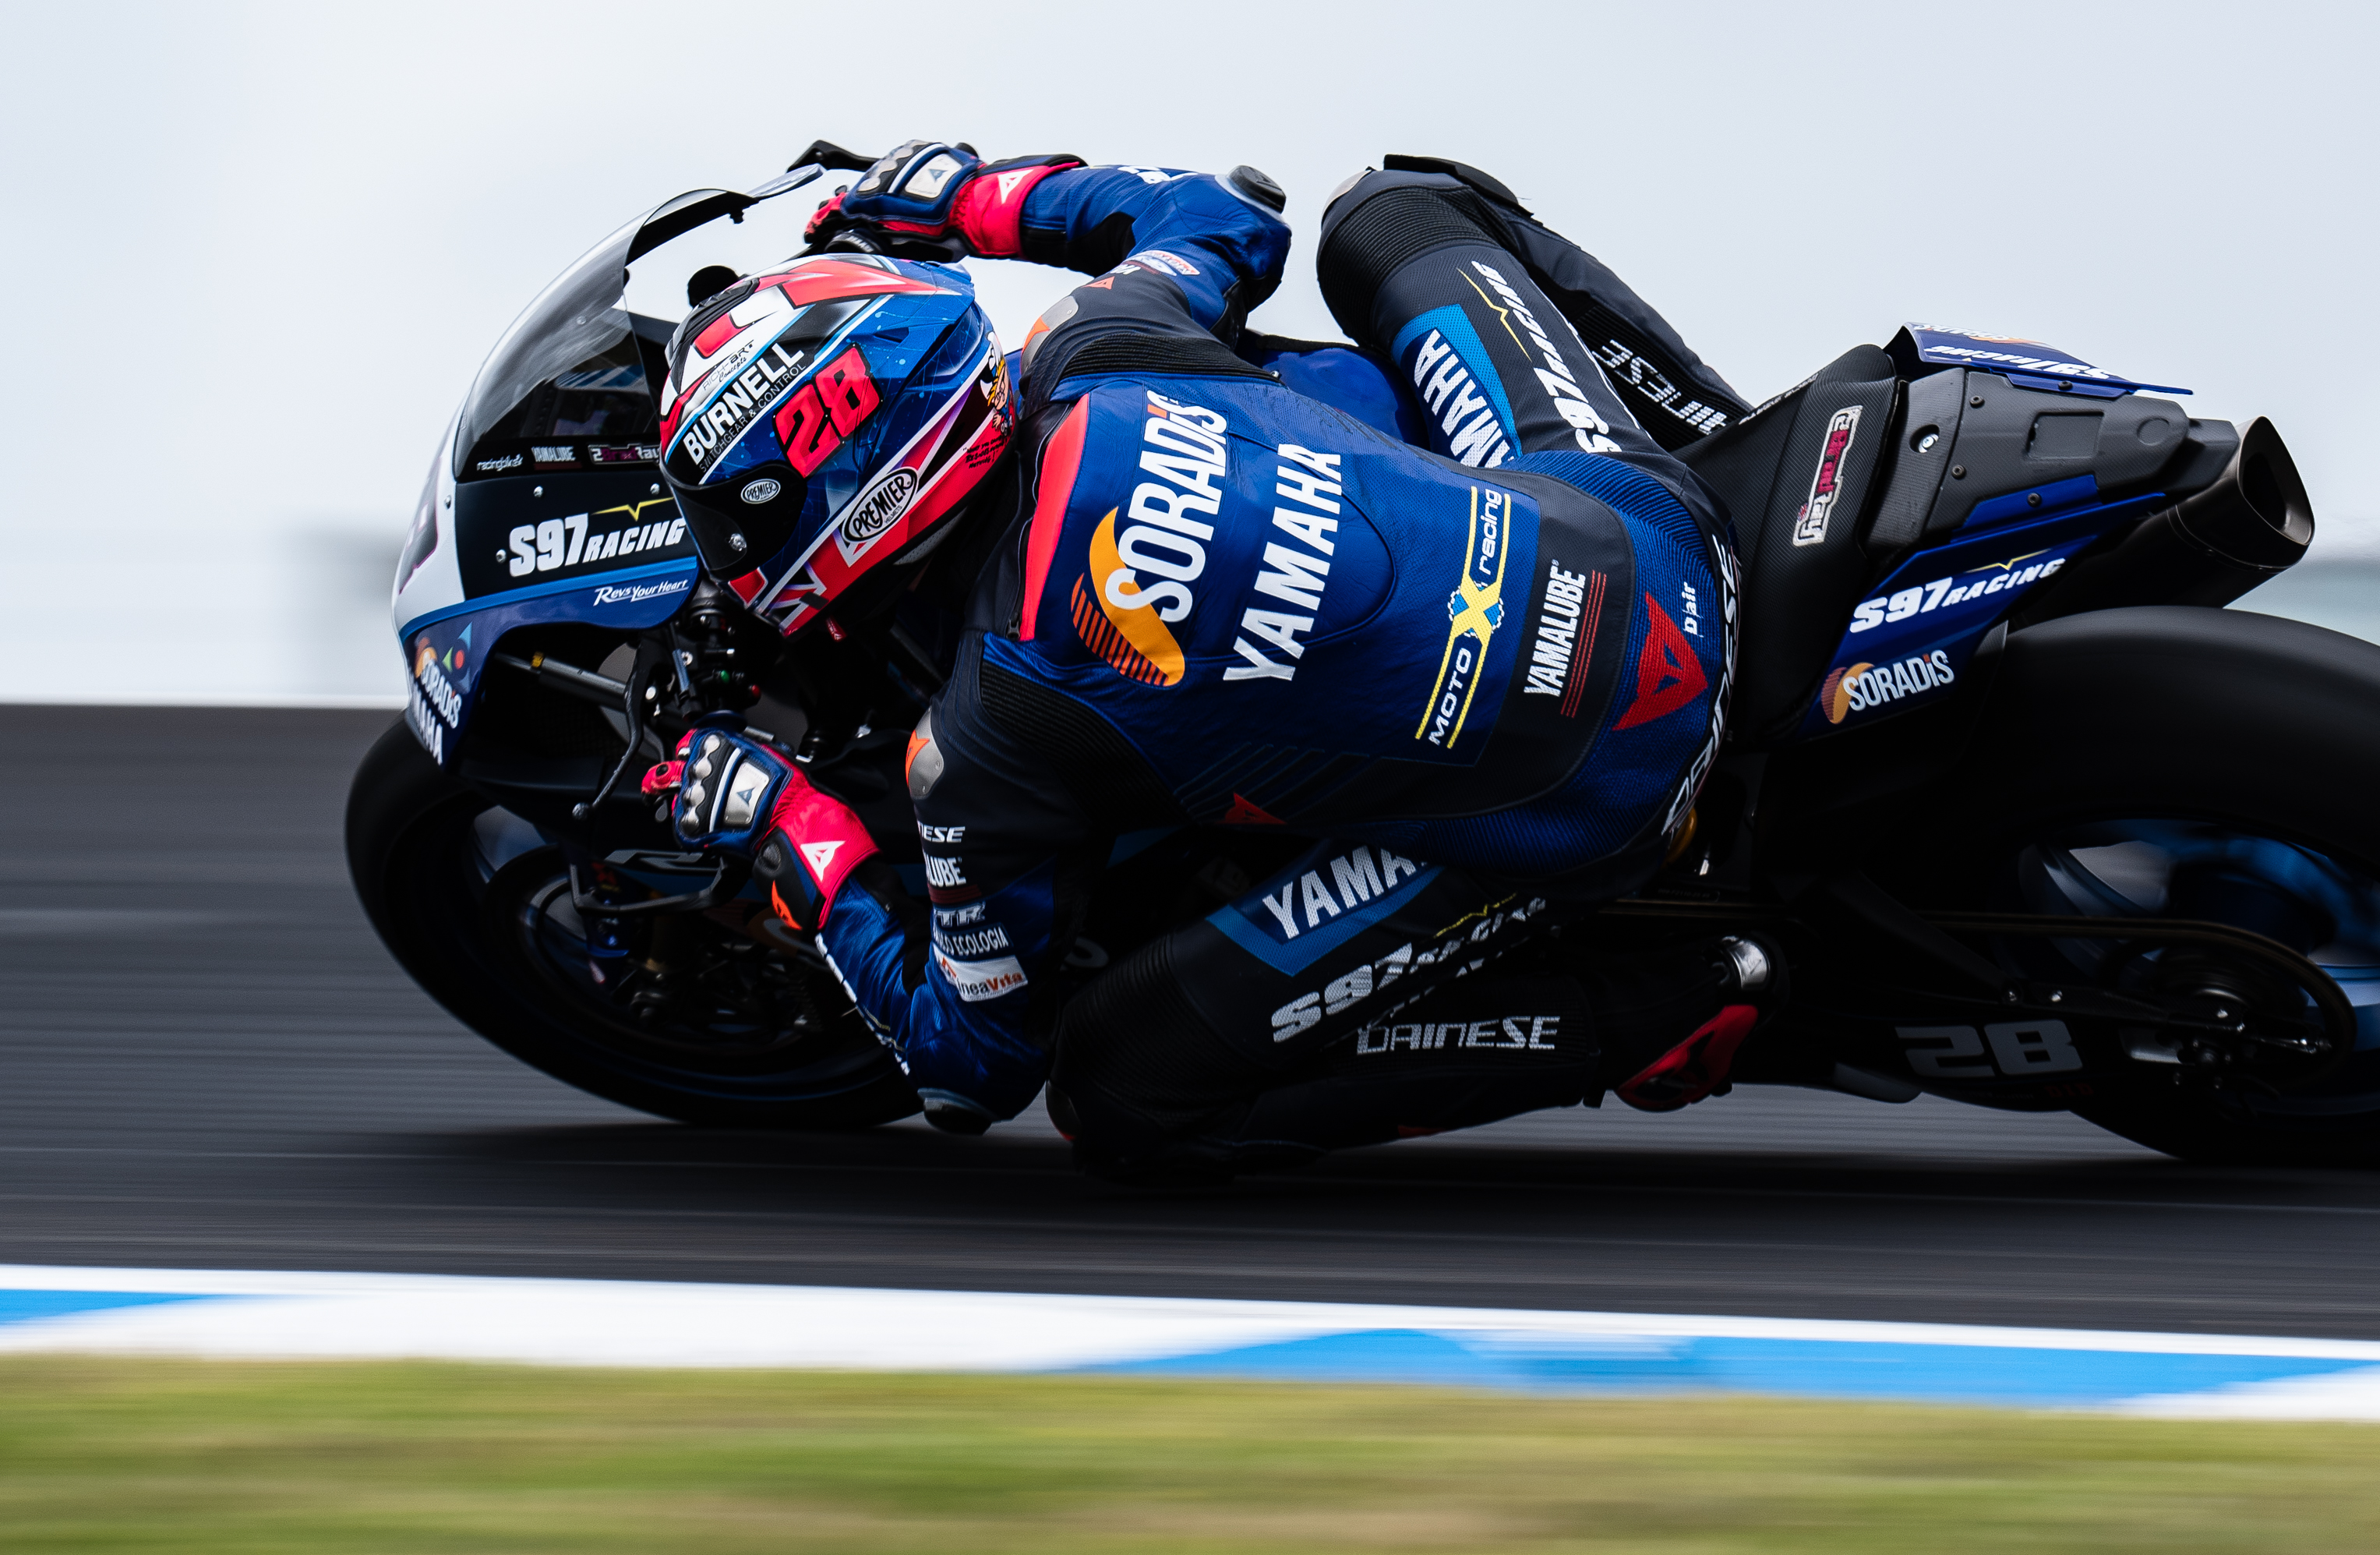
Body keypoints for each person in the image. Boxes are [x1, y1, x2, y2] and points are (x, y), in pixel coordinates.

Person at [644, 141, 1776, 1178]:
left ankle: (1643, 1017)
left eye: (731, 513)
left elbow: (969, 1064)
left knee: (1114, 1095)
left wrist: (785, 821)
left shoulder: (985, 735)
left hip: (1590, 803)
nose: (723, 546)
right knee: (1393, 209)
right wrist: (962, 199)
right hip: (1649, 527)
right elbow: (1225, 217)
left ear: (846, 497)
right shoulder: (1092, 342)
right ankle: (1749, 450)